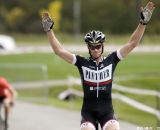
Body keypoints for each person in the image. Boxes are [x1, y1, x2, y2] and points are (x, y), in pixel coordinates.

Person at [41, 1, 155, 130]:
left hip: (107, 113)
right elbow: (59, 51)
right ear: (88, 48)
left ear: (102, 46)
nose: (95, 49)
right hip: (88, 114)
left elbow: (133, 43)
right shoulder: (81, 62)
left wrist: (143, 22)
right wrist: (48, 31)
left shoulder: (112, 59)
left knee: (114, 128)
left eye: (98, 46)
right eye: (92, 46)